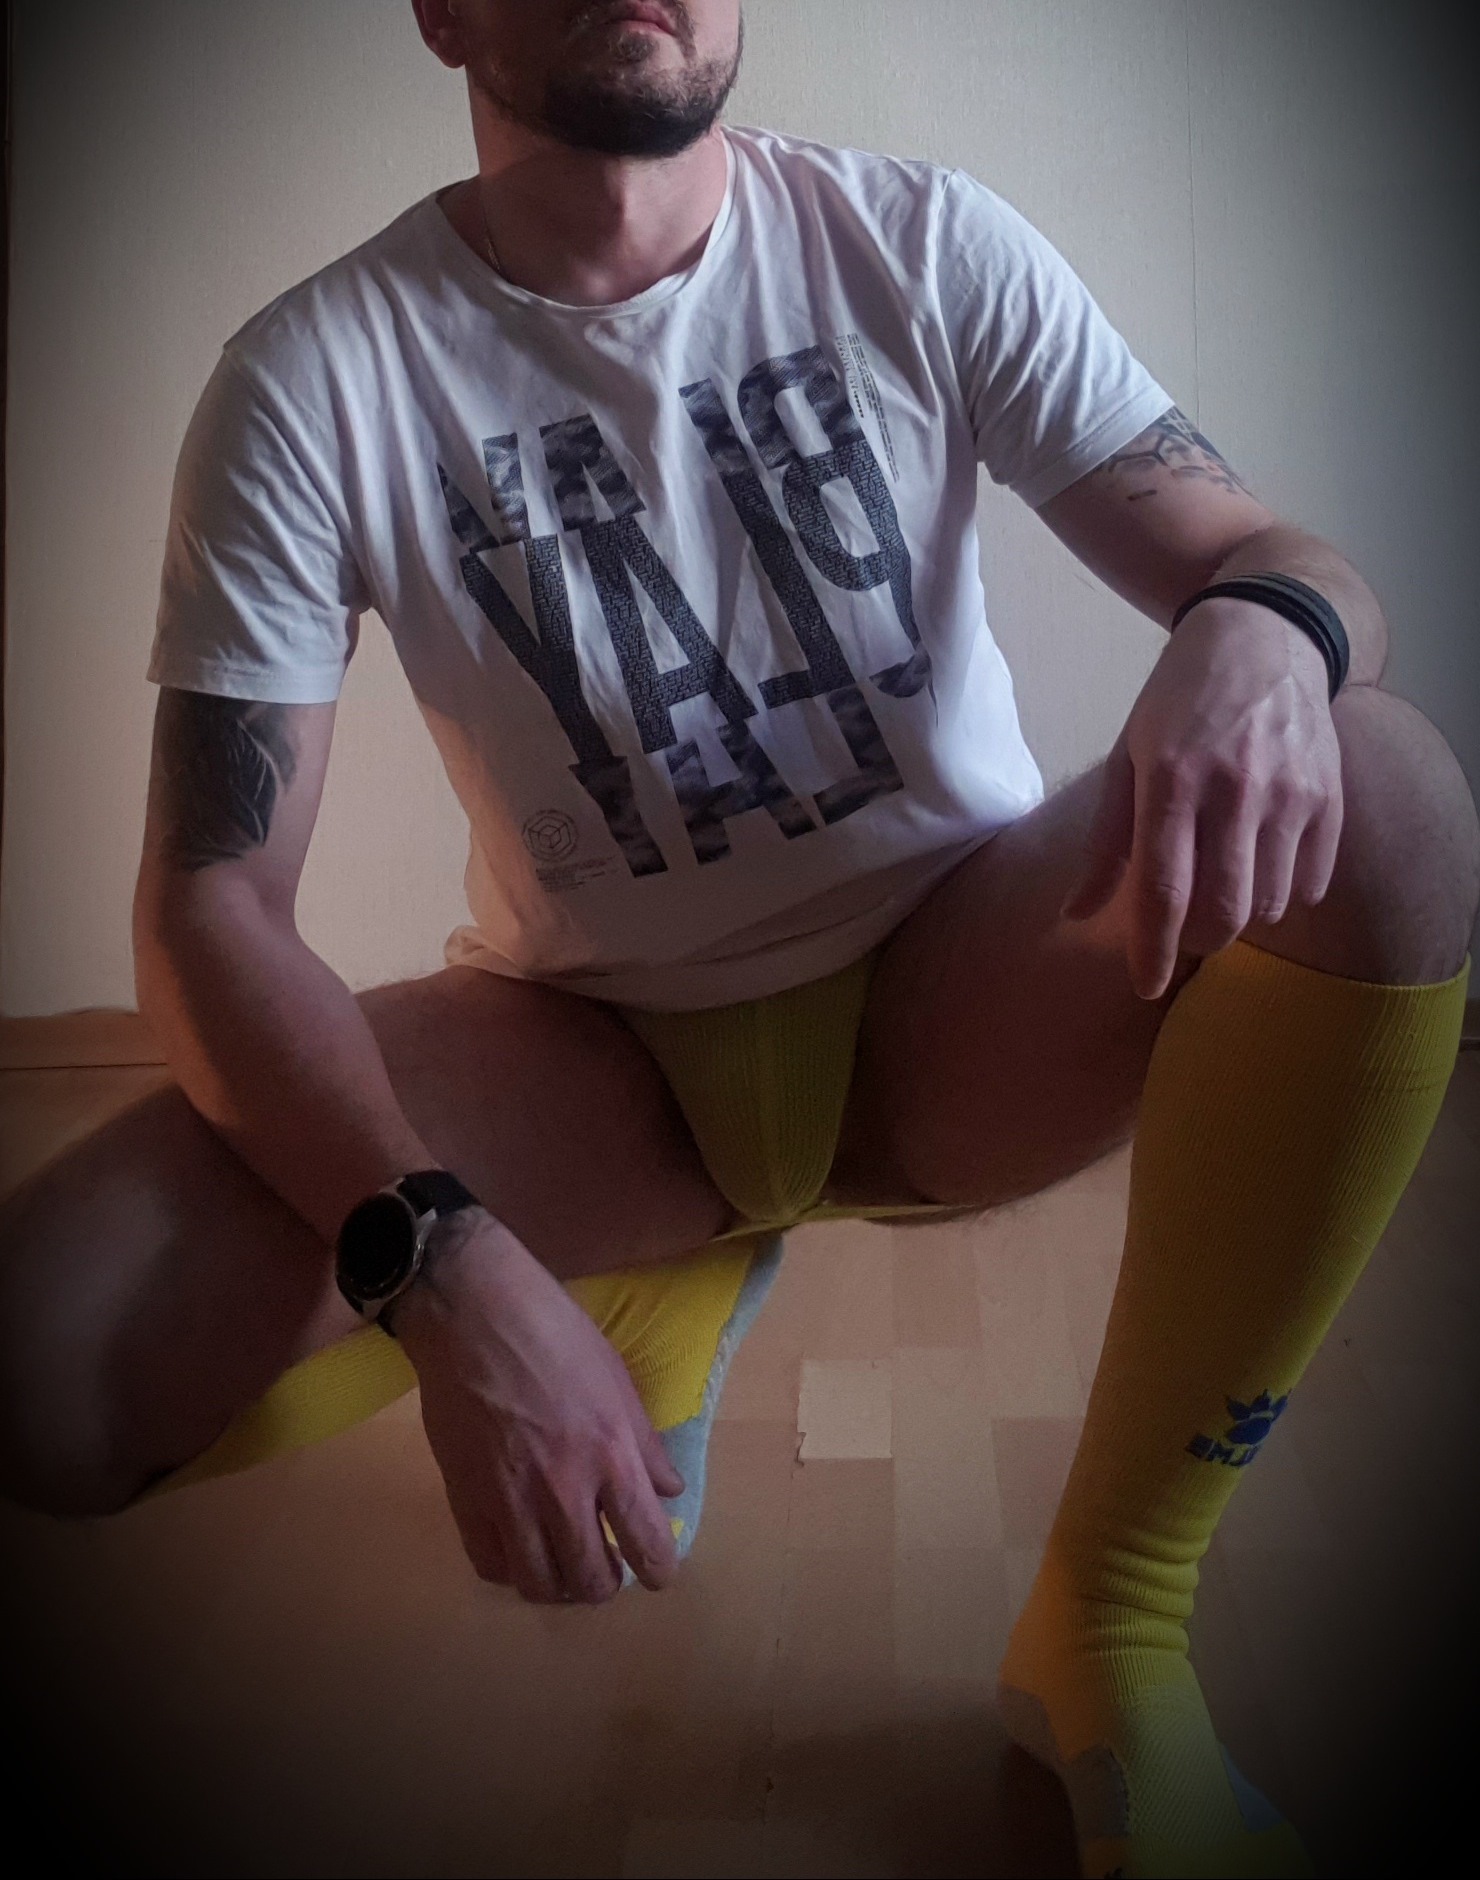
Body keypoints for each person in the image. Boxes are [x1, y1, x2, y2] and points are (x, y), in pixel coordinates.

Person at [2, 2, 1475, 1873]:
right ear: (440, 10)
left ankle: (1113, 1622)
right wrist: (445, 1272)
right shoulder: (315, 375)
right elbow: (210, 900)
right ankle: (659, 1285)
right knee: (46, 1363)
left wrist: (1268, 629)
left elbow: (1283, 556)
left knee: (1390, 793)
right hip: (606, 1059)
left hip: (964, 993)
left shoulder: (918, 241)